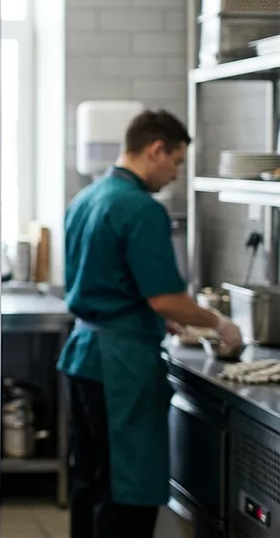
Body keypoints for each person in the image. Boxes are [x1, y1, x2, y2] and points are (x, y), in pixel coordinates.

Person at [56, 109, 244, 538]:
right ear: (157, 149)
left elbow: (111, 282)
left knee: (91, 482)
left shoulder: (88, 197)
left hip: (83, 356)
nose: (175, 174)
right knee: (127, 490)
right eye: (176, 161)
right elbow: (166, 298)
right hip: (121, 366)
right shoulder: (141, 208)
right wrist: (219, 322)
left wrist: (155, 316)